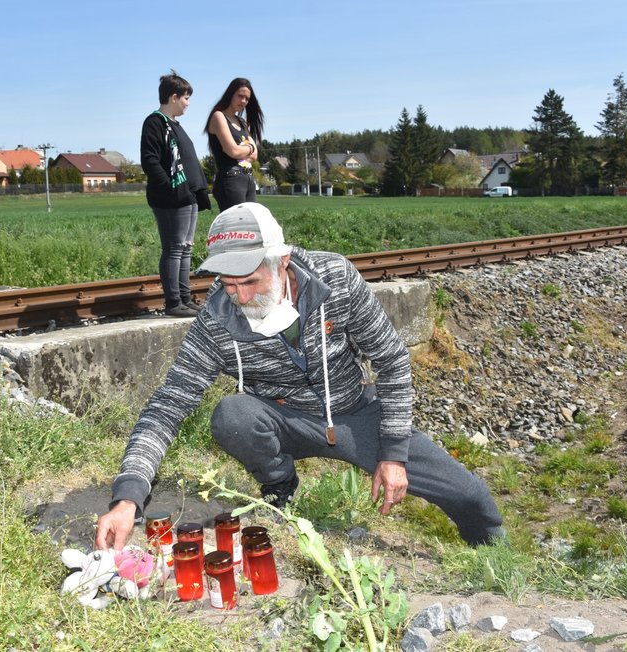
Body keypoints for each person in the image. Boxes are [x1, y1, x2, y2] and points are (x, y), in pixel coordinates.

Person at [95, 202, 505, 550]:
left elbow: (392, 359)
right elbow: (167, 406)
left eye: (251, 281)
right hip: (281, 419)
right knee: (233, 415)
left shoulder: (337, 279)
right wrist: (128, 497)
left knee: (473, 497)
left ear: (283, 262)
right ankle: (279, 487)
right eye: (228, 284)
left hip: (353, 412)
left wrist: (394, 454)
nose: (239, 297)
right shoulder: (216, 321)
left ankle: (493, 554)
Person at [141, 70, 211, 318]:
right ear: (173, 97)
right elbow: (150, 161)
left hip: (187, 196)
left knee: (185, 248)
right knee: (173, 248)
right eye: (186, 98)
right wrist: (170, 188)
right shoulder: (155, 122)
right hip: (171, 198)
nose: (188, 103)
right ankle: (173, 302)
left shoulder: (174, 125)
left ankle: (184, 298)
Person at [206, 78, 264, 211]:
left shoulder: (241, 122)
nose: (243, 101)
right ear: (230, 94)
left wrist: (243, 150)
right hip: (230, 179)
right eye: (240, 96)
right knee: (235, 228)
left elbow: (255, 155)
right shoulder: (219, 116)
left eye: (247, 99)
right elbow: (232, 151)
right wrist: (248, 148)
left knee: (248, 226)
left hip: (248, 178)